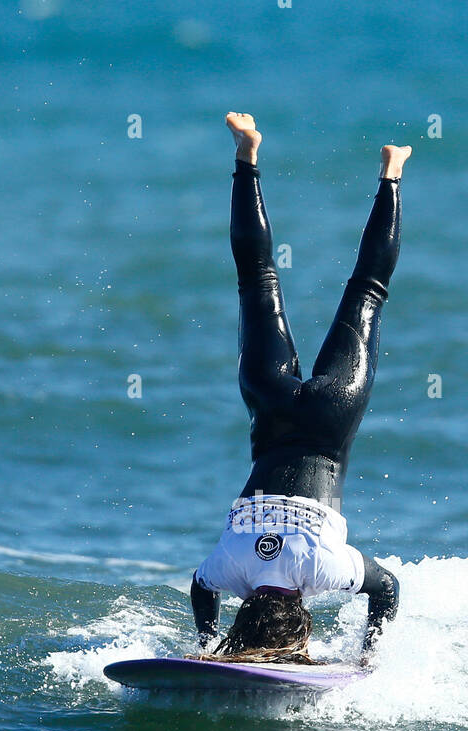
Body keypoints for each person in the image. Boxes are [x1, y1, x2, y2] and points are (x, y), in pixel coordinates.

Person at [190, 112, 409, 664]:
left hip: (330, 419)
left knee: (368, 290)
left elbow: (387, 588)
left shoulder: (324, 573)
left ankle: (392, 173)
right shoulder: (230, 568)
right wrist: (207, 639)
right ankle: (247, 154)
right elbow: (200, 586)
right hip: (271, 402)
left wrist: (369, 653)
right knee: (255, 276)